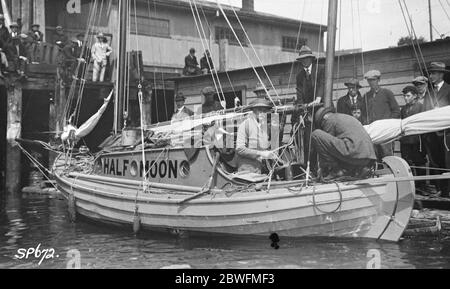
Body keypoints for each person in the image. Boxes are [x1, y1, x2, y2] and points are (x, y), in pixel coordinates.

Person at [311, 107, 376, 180]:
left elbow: (326, 147)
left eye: (322, 124)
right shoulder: (346, 117)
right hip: (368, 157)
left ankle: (336, 171)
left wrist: (322, 168)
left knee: (316, 134)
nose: (323, 126)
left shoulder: (329, 120)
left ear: (324, 118)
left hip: (354, 153)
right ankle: (357, 169)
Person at [293, 45, 325, 175]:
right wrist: (301, 113)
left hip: (322, 109)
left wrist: (318, 98)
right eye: (302, 60)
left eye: (306, 58)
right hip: (308, 113)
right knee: (308, 143)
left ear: (311, 59)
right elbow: (299, 95)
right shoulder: (300, 75)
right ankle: (311, 171)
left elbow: (323, 84)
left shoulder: (321, 69)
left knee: (324, 140)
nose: (304, 62)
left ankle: (325, 169)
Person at [422, 62, 450, 198]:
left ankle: (448, 190)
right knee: (435, 162)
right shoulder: (429, 92)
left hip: (445, 134)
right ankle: (440, 189)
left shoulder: (449, 89)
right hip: (431, 134)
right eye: (430, 73)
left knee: (447, 162)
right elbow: (424, 110)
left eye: (433, 73)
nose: (431, 76)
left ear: (441, 74)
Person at [362, 70, 400, 161]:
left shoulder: (387, 93)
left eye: (373, 80)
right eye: (369, 80)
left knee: (387, 157)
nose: (371, 83)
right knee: (374, 158)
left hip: (385, 132)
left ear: (378, 80)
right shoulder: (366, 96)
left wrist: (388, 125)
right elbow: (363, 114)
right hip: (372, 133)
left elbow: (396, 111)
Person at [236, 99, 277, 174]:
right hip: (246, 171)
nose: (262, 113)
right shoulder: (245, 125)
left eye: (264, 111)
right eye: (259, 110)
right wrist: (261, 153)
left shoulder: (264, 128)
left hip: (259, 169)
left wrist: (268, 153)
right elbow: (240, 149)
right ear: (253, 111)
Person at [399, 85, 427, 191]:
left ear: (415, 96)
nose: (406, 98)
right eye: (404, 96)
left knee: (419, 162)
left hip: (417, 140)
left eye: (408, 96)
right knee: (407, 163)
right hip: (406, 140)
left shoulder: (420, 107)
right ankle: (413, 187)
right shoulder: (403, 109)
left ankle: (422, 186)